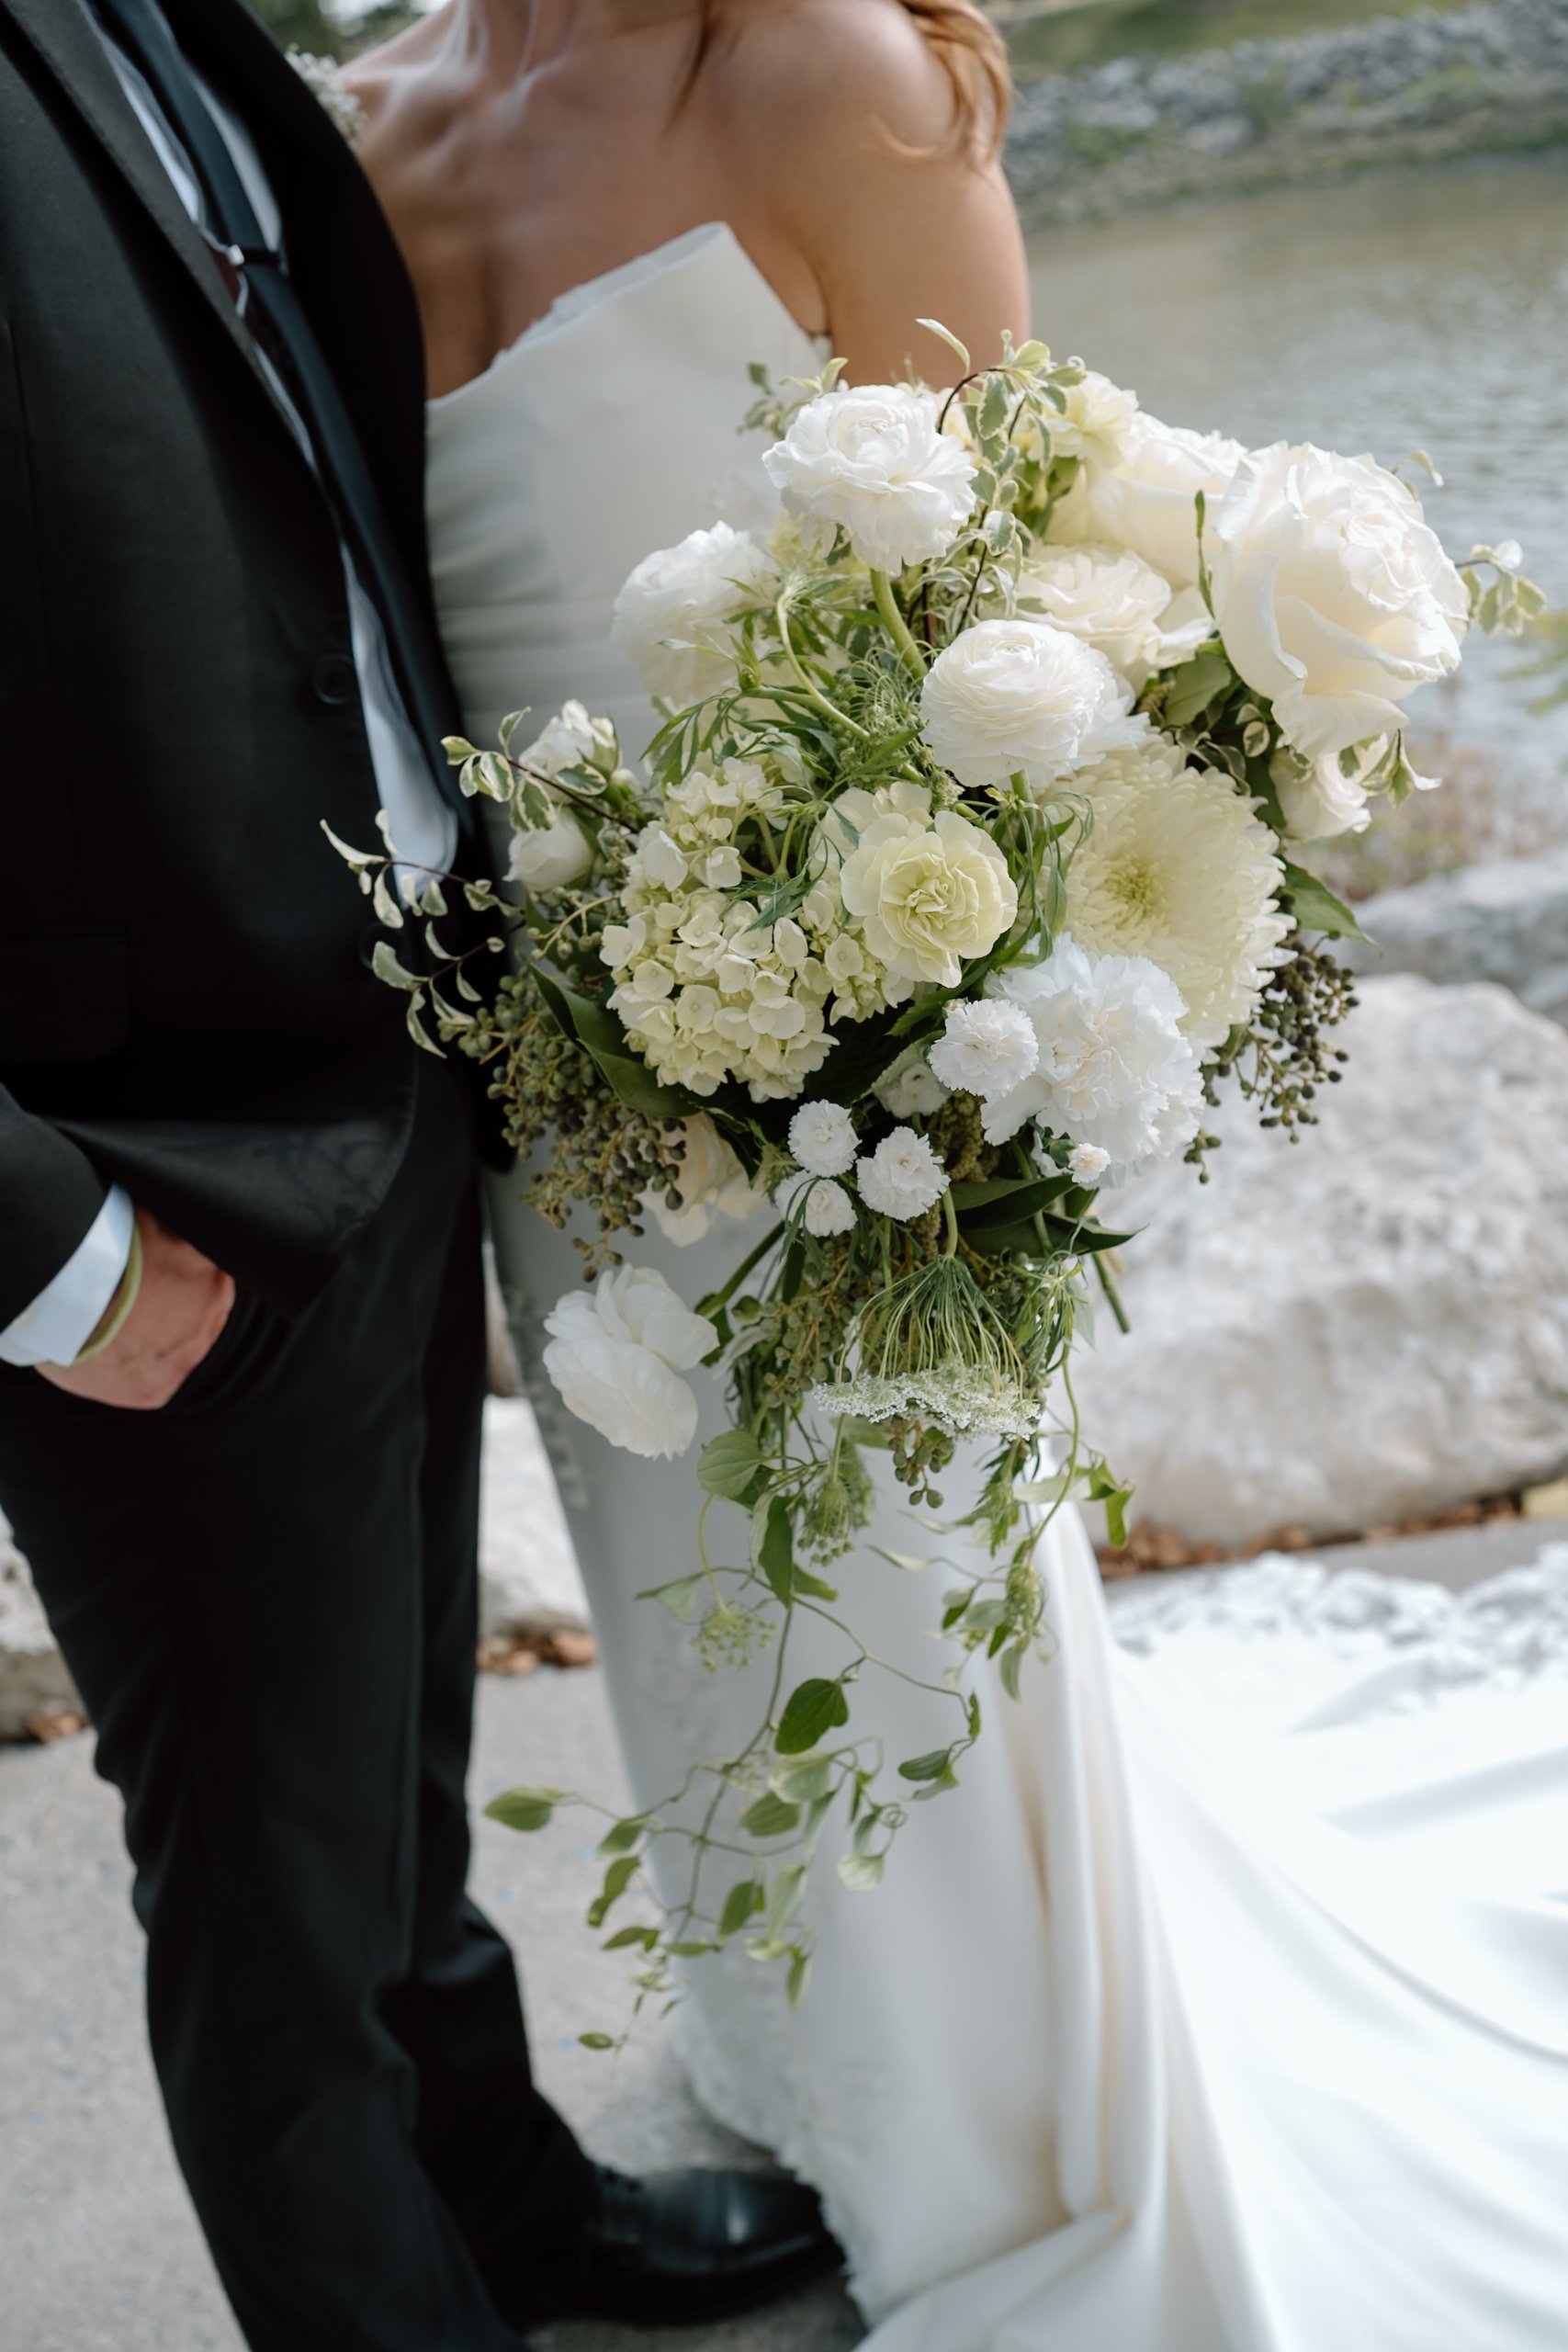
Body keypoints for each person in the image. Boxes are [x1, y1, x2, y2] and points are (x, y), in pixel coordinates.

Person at [346, 2, 1568, 2346]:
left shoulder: (815, 79)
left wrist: (897, 1032)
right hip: (562, 1094)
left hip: (859, 1055)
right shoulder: (354, 127)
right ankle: (832, 2059)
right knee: (687, 1576)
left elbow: (1029, 599)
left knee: (905, 1598)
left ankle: (1017, 2127)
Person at [0, 2, 838, 2346]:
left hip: (387, 1029)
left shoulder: (168, 25)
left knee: (388, 1745)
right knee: (265, 1886)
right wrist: (46, 1243)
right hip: (133, 1152)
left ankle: (498, 2186)